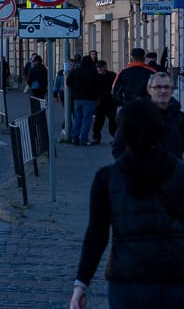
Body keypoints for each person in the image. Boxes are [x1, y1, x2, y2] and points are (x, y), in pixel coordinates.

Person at [69, 100, 184, 308]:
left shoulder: (107, 178)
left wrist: (81, 284)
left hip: (128, 278)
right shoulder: (180, 173)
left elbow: (96, 236)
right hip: (174, 276)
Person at [112, 72, 184, 160]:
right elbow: (118, 148)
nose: (163, 91)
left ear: (172, 90)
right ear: (149, 89)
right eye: (157, 87)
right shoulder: (135, 115)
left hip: (172, 171)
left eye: (167, 87)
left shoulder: (179, 118)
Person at [68, 55, 100, 146]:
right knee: (87, 119)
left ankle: (75, 137)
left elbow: (68, 82)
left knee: (77, 118)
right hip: (90, 99)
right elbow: (98, 84)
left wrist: (75, 89)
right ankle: (83, 139)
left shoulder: (76, 71)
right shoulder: (93, 72)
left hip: (77, 99)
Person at [92, 60, 118, 144]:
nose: (98, 69)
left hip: (111, 102)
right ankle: (96, 137)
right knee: (98, 121)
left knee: (113, 121)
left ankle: (116, 138)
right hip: (100, 102)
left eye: (100, 67)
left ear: (105, 67)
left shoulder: (112, 75)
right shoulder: (95, 76)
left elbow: (117, 86)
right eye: (97, 67)